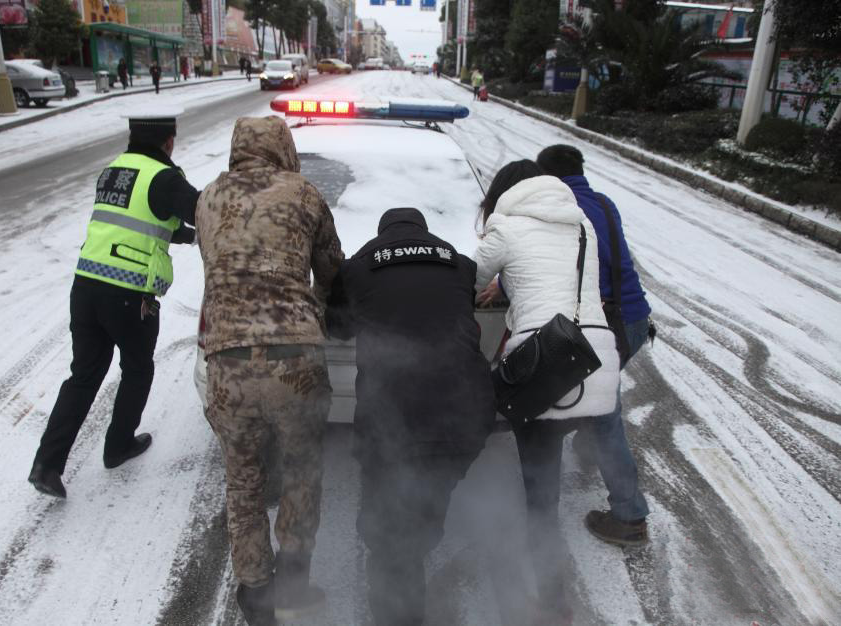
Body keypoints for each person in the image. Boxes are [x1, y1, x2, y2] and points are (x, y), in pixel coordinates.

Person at [474, 160, 647, 621]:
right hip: (596, 360)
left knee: (540, 494)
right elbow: (560, 282)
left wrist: (494, 285)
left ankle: (552, 603)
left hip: (547, 369)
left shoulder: (505, 225)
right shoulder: (582, 222)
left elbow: (469, 279)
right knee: (567, 443)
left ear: (503, 193)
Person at [195, 116, 344, 626]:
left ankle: (256, 596)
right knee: (303, 471)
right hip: (295, 363)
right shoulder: (304, 193)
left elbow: (218, 269)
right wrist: (317, 308)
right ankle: (294, 586)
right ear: (284, 147)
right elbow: (331, 272)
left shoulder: (208, 197)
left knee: (243, 481)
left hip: (227, 361)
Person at [326, 207, 495, 626]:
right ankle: (415, 544)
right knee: (428, 496)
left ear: (382, 232)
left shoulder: (359, 266)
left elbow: (338, 329)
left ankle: (399, 598)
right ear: (424, 231)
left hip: (394, 413)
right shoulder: (460, 263)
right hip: (466, 410)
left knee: (388, 534)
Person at [28, 107, 199, 499]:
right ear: (168, 140)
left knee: (83, 376)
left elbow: (143, 220)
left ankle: (47, 465)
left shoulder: (114, 170)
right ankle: (118, 444)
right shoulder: (164, 177)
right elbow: (204, 211)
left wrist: (187, 238)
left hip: (85, 287)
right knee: (138, 368)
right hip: (128, 293)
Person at [536, 144, 654, 544]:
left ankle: (629, 516)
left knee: (605, 420)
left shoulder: (561, 213)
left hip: (602, 326)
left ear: (545, 177)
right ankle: (589, 446)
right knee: (597, 402)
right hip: (635, 320)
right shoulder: (604, 203)